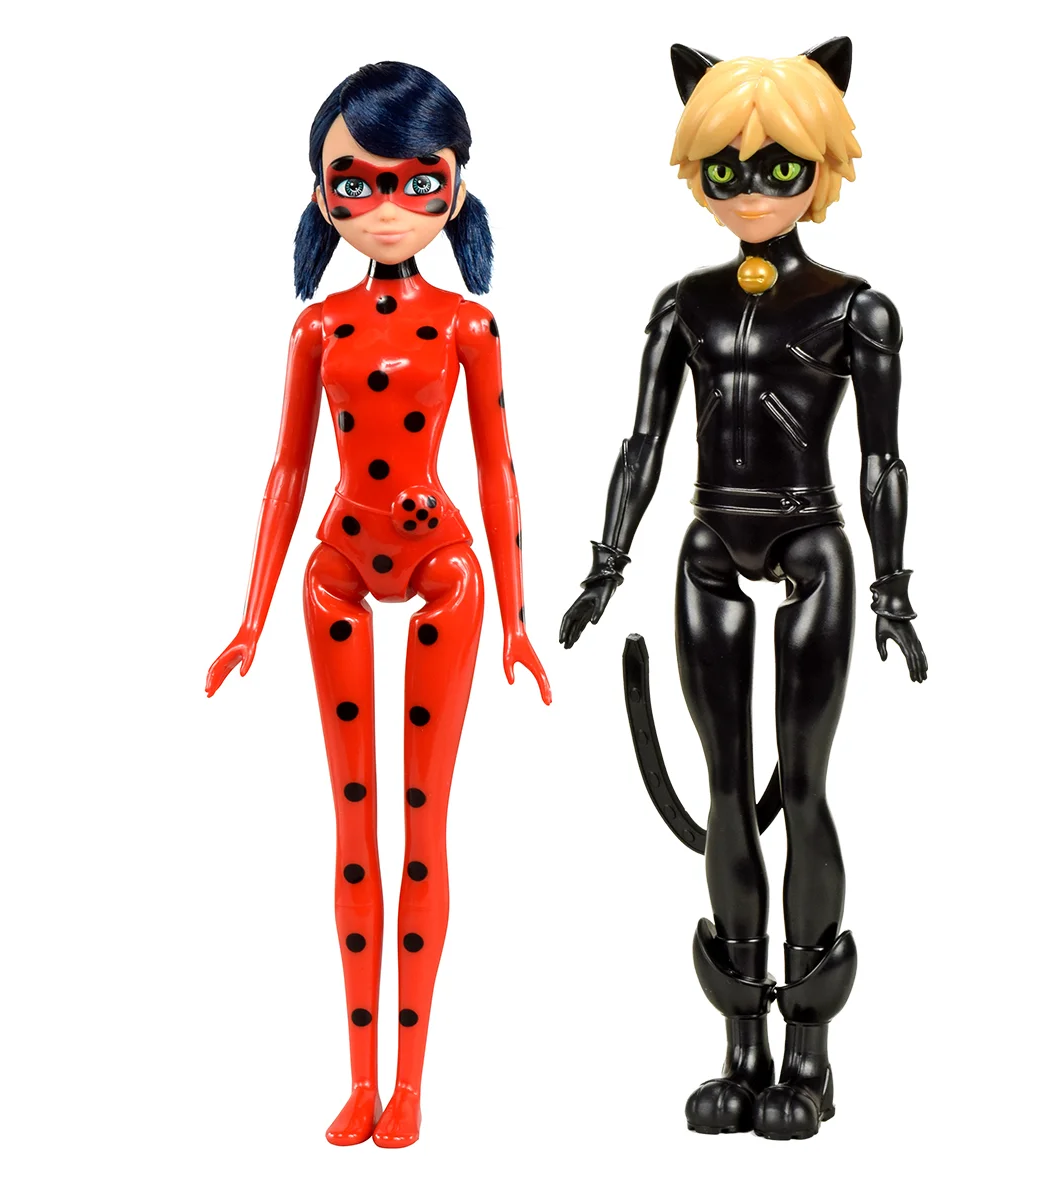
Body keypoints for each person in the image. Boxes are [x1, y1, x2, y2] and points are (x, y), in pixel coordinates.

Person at [560, 39, 926, 1140]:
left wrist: (893, 589)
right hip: (709, 543)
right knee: (728, 794)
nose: (753, 188)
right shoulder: (686, 306)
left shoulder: (857, 309)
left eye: (779, 166)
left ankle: (808, 1055)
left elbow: (881, 460)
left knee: (802, 790)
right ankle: (739, 1046)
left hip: (812, 542)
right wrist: (608, 562)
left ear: (823, 168)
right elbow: (642, 443)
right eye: (726, 168)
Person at [206, 61, 550, 1149]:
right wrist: (251, 615)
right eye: (356, 184)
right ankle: (361, 1079)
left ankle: (413, 1086)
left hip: (444, 564)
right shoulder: (317, 331)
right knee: (354, 823)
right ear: (322, 194)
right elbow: (286, 470)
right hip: (339, 566)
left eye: (416, 181)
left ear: (454, 187)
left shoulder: (468, 327)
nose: (387, 207)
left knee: (421, 822)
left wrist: (518, 618)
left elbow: (496, 470)